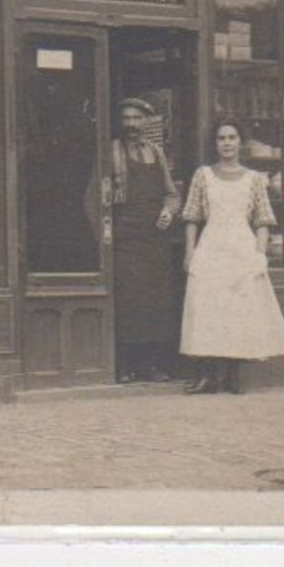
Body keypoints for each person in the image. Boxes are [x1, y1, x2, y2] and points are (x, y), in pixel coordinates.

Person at [179, 116, 284, 394]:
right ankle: (208, 376)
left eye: (232, 138)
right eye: (221, 138)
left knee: (238, 311)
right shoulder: (203, 175)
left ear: (240, 142)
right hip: (211, 248)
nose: (227, 143)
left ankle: (233, 375)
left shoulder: (254, 179)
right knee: (208, 309)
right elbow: (192, 216)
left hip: (241, 248)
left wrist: (259, 254)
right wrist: (190, 251)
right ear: (215, 143)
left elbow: (263, 220)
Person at [110, 97, 181, 383]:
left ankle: (150, 365)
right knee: (129, 303)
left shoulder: (156, 152)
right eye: (126, 119)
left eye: (137, 119)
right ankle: (125, 365)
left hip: (155, 240)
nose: (131, 125)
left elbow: (172, 193)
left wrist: (168, 211)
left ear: (146, 122)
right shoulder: (111, 150)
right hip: (126, 237)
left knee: (155, 303)